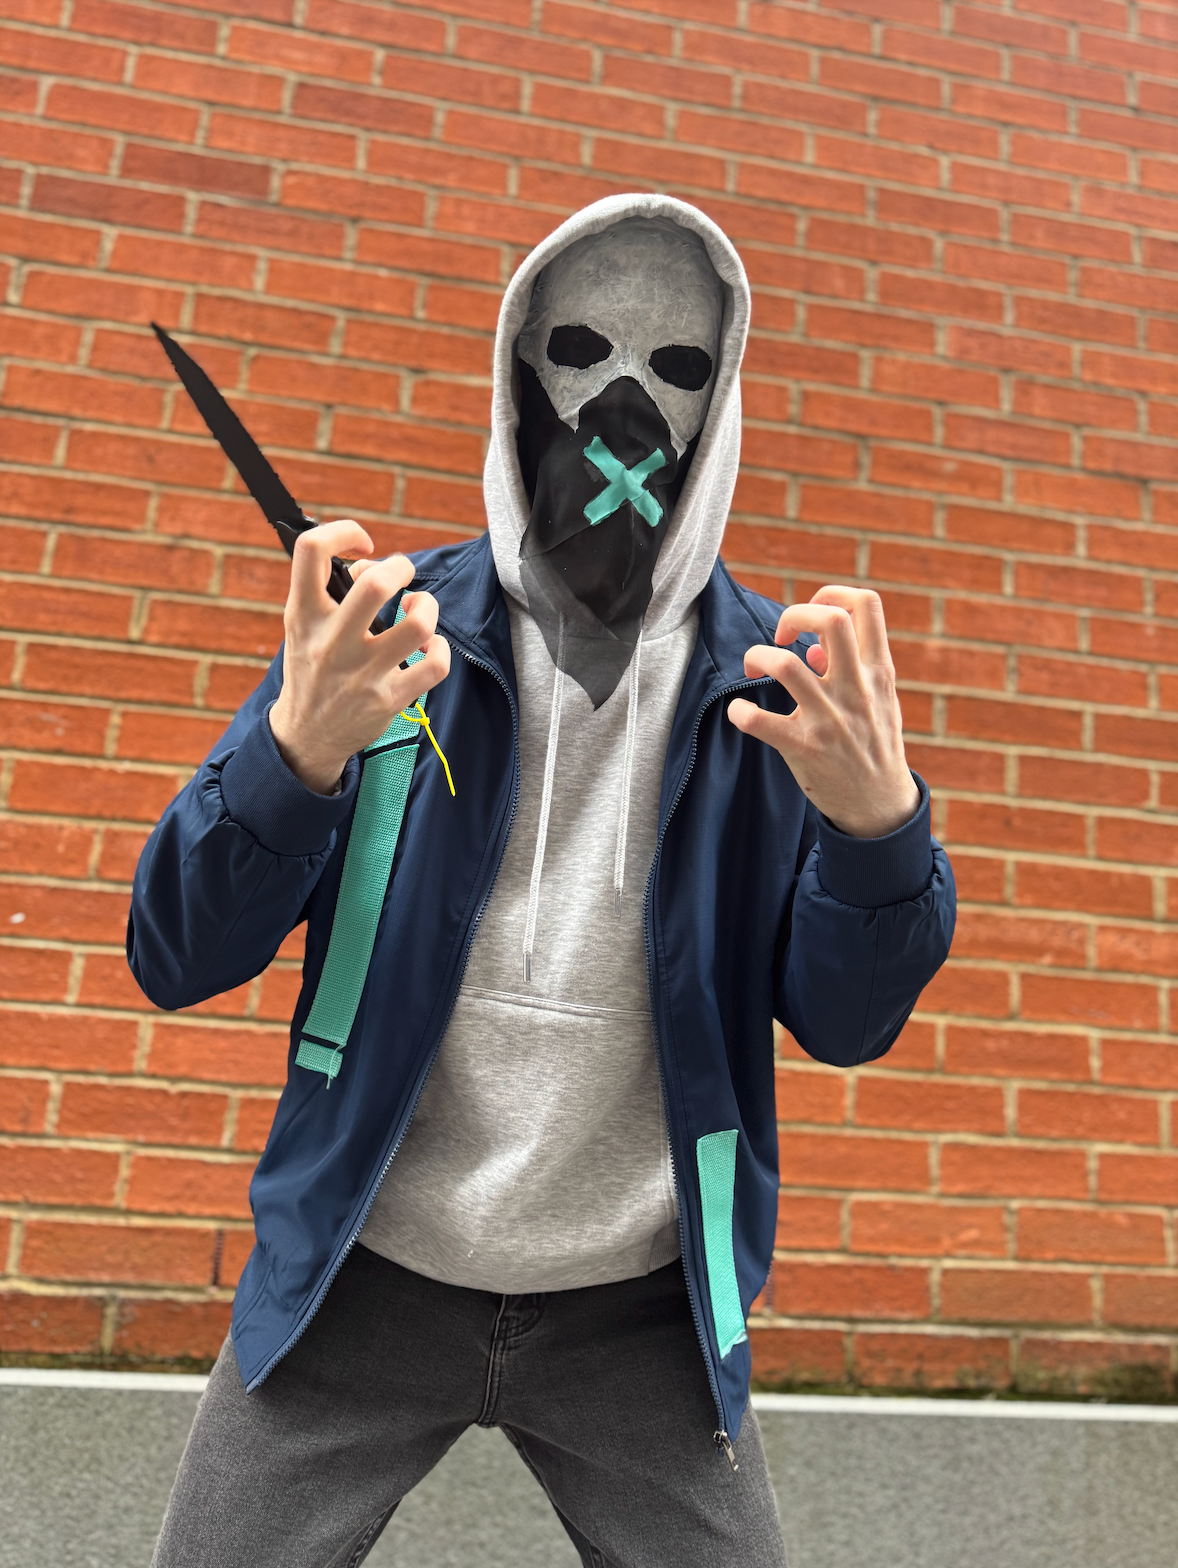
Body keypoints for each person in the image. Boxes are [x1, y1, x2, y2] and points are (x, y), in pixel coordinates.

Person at [133, 193, 955, 1568]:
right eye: (581, 350)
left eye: (676, 365)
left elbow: (849, 1022)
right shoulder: (383, 643)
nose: (623, 403)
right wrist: (294, 754)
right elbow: (176, 953)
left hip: (640, 1310)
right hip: (355, 1272)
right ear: (518, 367)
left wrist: (878, 829)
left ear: (721, 401)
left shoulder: (775, 690)